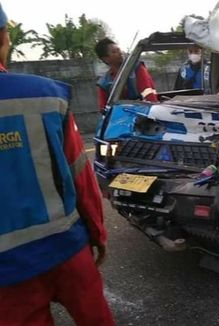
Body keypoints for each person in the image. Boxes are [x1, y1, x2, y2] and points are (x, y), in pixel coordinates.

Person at [0, 4, 115, 325]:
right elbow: (81, 176)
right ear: (4, 37)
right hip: (67, 250)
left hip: (7, 278)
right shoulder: (46, 97)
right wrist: (97, 234)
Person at [95, 38, 157, 110]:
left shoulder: (137, 68)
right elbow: (104, 108)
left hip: (143, 111)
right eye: (115, 52)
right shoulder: (104, 83)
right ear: (106, 59)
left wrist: (152, 111)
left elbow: (148, 93)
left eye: (119, 49)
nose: (120, 53)